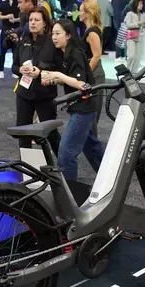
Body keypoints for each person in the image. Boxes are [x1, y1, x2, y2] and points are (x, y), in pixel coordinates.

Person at [45, 18, 105, 181]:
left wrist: (58, 75)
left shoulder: (76, 54)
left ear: (69, 35)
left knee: (66, 152)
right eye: (53, 34)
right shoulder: (63, 54)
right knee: (92, 148)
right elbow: (68, 79)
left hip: (84, 108)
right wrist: (53, 79)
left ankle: (69, 193)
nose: (54, 37)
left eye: (58, 34)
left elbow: (81, 84)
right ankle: (110, 178)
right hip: (79, 107)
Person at [11, 6, 60, 151]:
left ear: (45, 23)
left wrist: (40, 71)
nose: (33, 23)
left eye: (37, 20)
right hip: (24, 93)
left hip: (44, 94)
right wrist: (20, 70)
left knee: (51, 133)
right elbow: (14, 66)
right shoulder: (23, 41)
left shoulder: (52, 43)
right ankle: (27, 169)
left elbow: (57, 68)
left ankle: (64, 166)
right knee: (23, 134)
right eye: (31, 19)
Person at [79, 0, 105, 137]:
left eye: (81, 10)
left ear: (88, 13)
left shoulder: (92, 32)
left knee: (93, 113)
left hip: (95, 74)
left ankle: (95, 150)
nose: (79, 13)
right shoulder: (91, 30)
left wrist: (86, 74)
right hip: (94, 73)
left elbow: (96, 56)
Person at [0, 0, 20, 79]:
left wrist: (15, 20)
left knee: (15, 52)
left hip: (16, 30)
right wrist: (7, 16)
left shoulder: (18, 3)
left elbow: (23, 17)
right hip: (5, 30)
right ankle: (1, 71)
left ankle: (14, 71)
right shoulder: (2, 3)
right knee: (3, 51)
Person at [124, 0, 145, 74]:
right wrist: (138, 23)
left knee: (138, 57)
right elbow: (128, 25)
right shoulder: (130, 14)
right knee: (131, 56)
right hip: (131, 37)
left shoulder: (143, 14)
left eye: (142, 4)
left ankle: (134, 73)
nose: (141, 5)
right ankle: (127, 71)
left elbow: (143, 26)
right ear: (135, 4)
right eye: (140, 4)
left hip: (140, 36)